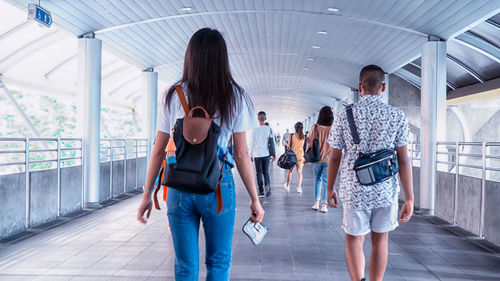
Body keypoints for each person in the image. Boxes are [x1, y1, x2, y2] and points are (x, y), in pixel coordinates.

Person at [136, 28, 265, 281]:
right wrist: (255, 199)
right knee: (218, 263)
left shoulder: (174, 95)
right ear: (222, 58)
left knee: (185, 267)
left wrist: (147, 193)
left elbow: (159, 149)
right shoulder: (236, 96)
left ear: (190, 57)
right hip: (217, 185)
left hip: (178, 186)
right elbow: (241, 154)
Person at [326, 65, 414, 281]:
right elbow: (403, 159)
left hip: (354, 189)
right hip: (385, 189)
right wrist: (409, 197)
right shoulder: (397, 116)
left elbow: (335, 156)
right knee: (381, 240)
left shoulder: (344, 115)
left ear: (360, 87)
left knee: (354, 240)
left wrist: (329, 188)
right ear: (383, 87)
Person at [306, 106, 333, 213]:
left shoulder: (315, 127)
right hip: (329, 159)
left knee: (317, 179)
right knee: (326, 181)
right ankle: (324, 205)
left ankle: (316, 203)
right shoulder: (334, 127)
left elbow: (310, 142)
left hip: (317, 158)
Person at [251, 111, 276, 197]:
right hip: (266, 154)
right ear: (265, 119)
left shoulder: (254, 129)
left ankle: (261, 191)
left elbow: (252, 143)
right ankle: (268, 187)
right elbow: (272, 143)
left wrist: (251, 155)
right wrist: (274, 154)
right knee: (266, 172)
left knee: (259, 173)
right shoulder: (269, 129)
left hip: (257, 155)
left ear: (257, 119)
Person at [284, 122, 305, 193]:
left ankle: (287, 185)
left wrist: (285, 143)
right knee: (299, 172)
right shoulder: (303, 136)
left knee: (290, 171)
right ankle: (299, 188)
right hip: (300, 156)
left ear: (295, 128)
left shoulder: (291, 135)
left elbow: (289, 147)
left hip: (292, 156)